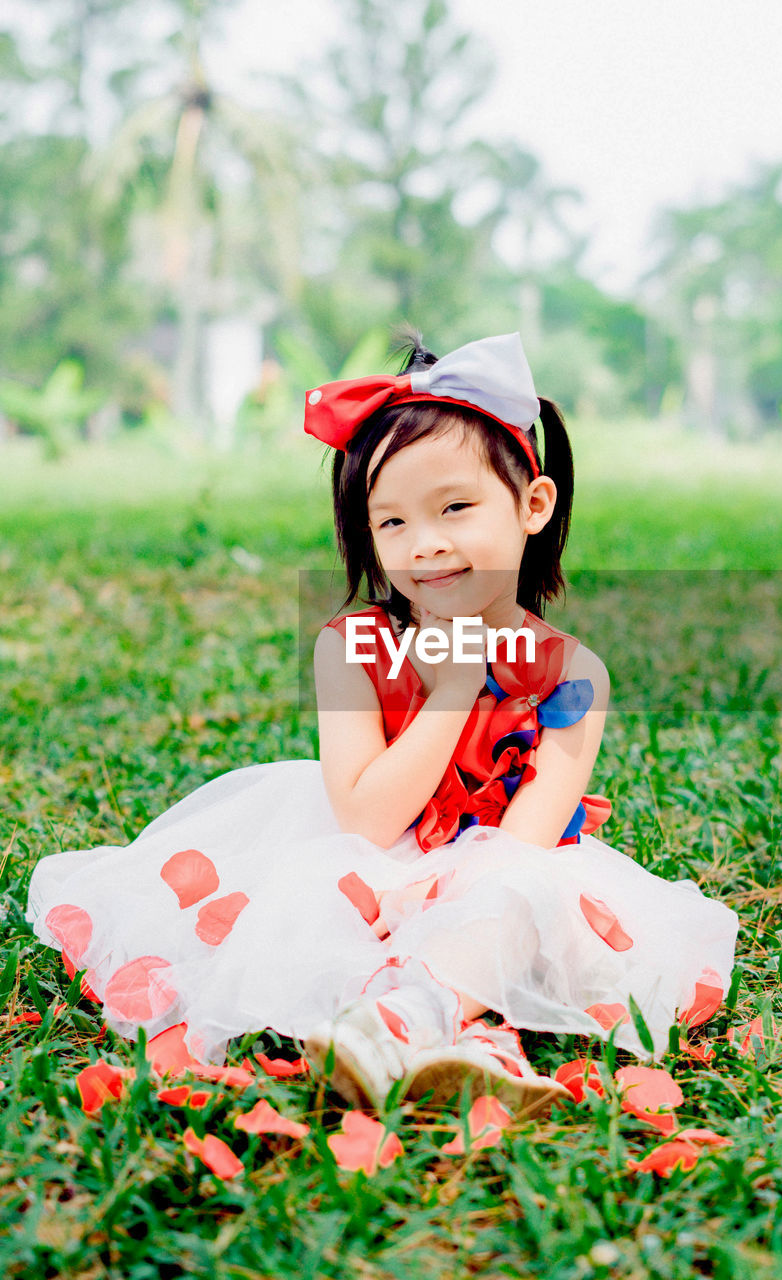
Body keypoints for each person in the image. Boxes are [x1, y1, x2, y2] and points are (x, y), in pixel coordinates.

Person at [25, 332, 739, 1118]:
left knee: (516, 914)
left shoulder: (573, 676)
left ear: (533, 505)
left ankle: (418, 1017)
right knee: (340, 909)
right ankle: (452, 1028)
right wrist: (457, 684)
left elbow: (525, 851)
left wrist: (453, 902)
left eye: (455, 508)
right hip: (362, 856)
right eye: (389, 522)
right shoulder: (354, 650)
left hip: (499, 877)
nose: (423, 544)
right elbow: (367, 820)